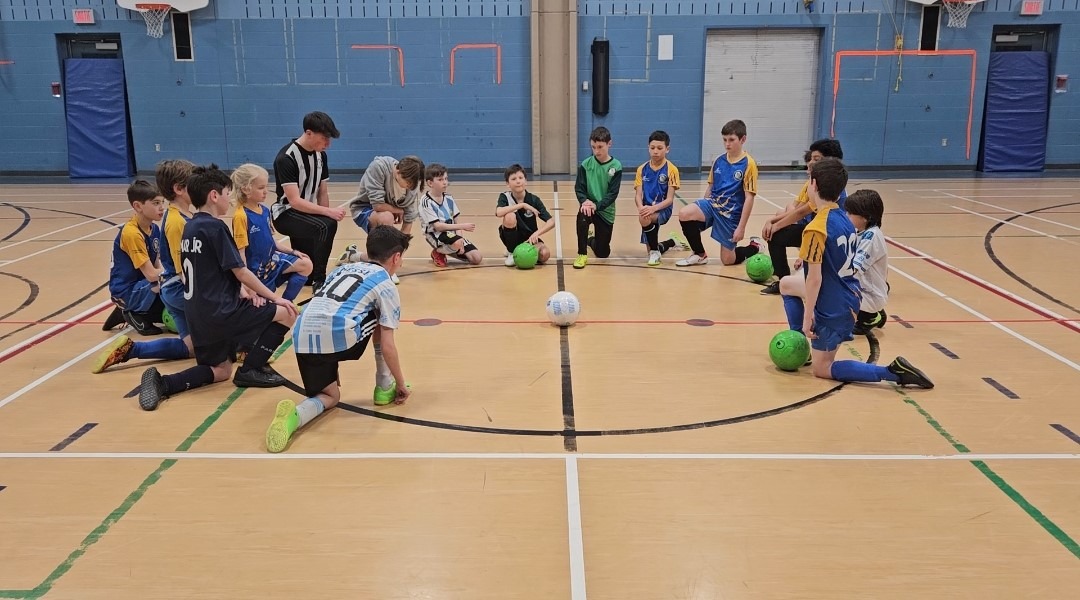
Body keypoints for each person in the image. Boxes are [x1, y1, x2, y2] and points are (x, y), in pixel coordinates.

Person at [137, 165, 299, 411]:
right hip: (221, 312)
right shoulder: (215, 227)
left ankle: (165, 383)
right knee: (286, 313)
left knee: (220, 370)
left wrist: (243, 292)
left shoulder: (190, 226)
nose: (229, 199)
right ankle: (251, 368)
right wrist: (274, 298)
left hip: (198, 314)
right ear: (214, 195)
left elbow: (212, 272)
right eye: (227, 193)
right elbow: (241, 271)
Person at [778, 157, 932, 389]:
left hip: (832, 306)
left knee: (823, 369)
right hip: (849, 294)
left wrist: (808, 317)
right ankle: (802, 343)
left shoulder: (815, 229)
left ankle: (893, 372)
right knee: (786, 284)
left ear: (814, 185)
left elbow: (815, 279)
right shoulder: (843, 217)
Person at [265, 226, 412, 453]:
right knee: (381, 316)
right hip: (337, 337)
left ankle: (294, 417)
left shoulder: (342, 270)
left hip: (302, 336)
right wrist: (402, 384)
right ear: (396, 257)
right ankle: (385, 385)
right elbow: (388, 344)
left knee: (329, 396)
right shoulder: (385, 282)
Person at [93, 180, 190, 373]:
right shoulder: (131, 232)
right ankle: (128, 310)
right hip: (127, 290)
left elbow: (157, 266)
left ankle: (133, 317)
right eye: (155, 203)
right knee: (166, 286)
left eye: (162, 202)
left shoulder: (153, 229)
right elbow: (152, 275)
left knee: (169, 290)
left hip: (142, 284)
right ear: (138, 206)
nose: (161, 207)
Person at [760, 138, 845, 295]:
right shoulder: (813, 181)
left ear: (829, 161)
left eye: (816, 159)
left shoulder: (829, 185)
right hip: (816, 231)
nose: (811, 163)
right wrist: (772, 221)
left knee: (776, 232)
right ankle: (783, 281)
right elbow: (797, 209)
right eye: (811, 159)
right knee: (776, 234)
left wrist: (776, 225)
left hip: (827, 236)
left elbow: (802, 211)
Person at [674, 119, 764, 267]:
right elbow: (710, 187)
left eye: (731, 140)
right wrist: (702, 210)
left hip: (731, 214)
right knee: (685, 213)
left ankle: (755, 246)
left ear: (743, 139)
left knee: (728, 260)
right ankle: (699, 254)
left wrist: (741, 228)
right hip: (713, 204)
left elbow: (749, 198)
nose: (727, 144)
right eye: (724, 140)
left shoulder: (749, 164)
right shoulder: (718, 160)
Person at [271, 111, 343, 290]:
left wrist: (325, 215)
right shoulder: (286, 158)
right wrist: (327, 216)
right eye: (324, 138)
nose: (328, 144)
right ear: (309, 133)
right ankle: (321, 280)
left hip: (307, 215)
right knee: (327, 225)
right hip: (286, 214)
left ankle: (279, 270)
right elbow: (294, 201)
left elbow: (322, 192)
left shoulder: (321, 155)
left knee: (305, 274)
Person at [231, 163, 312, 301]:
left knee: (306, 264)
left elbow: (272, 240)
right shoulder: (241, 216)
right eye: (261, 188)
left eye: (266, 187)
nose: (266, 191)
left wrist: (292, 252)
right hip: (256, 272)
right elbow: (241, 253)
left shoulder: (265, 210)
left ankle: (287, 302)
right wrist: (247, 284)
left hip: (272, 262)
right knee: (260, 305)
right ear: (246, 189)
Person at [341, 155, 426, 284]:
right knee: (387, 217)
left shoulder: (412, 185)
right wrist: (399, 210)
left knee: (385, 243)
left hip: (386, 212)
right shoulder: (379, 167)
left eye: (414, 184)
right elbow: (378, 205)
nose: (410, 187)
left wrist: (398, 255)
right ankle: (382, 269)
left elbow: (408, 222)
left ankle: (354, 256)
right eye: (408, 182)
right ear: (397, 171)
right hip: (363, 209)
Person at [633, 130, 688, 266]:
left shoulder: (671, 170)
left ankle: (655, 252)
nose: (655, 151)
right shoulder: (641, 169)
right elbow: (638, 195)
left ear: (667, 149)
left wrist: (652, 209)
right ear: (648, 148)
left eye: (659, 148)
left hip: (663, 210)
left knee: (644, 220)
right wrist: (641, 208)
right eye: (652, 148)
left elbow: (669, 199)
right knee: (650, 246)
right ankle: (671, 242)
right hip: (647, 209)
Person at [573, 126, 622, 269]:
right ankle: (582, 254)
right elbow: (579, 188)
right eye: (593, 147)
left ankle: (590, 240)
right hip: (589, 207)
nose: (596, 151)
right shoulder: (586, 164)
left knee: (603, 253)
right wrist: (585, 201)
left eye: (600, 147)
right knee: (582, 214)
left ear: (609, 144)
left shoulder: (616, 166)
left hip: (605, 211)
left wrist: (597, 205)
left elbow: (612, 194)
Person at [419, 163, 482, 267]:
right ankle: (438, 252)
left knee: (476, 258)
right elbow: (438, 226)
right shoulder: (426, 201)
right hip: (436, 235)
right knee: (456, 243)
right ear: (430, 183)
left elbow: (456, 220)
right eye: (440, 180)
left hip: (452, 235)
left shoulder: (449, 198)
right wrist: (462, 228)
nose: (445, 182)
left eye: (446, 179)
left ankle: (450, 247)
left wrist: (461, 240)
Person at [845, 189, 889, 335]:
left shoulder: (871, 237)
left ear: (865, 217)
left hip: (869, 293)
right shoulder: (860, 231)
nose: (847, 216)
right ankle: (875, 313)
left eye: (851, 214)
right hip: (868, 290)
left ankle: (870, 317)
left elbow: (853, 269)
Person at [496, 163, 555, 267]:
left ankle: (522, 251)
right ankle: (511, 251)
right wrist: (522, 205)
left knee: (544, 254)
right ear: (507, 184)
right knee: (510, 216)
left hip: (529, 238)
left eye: (520, 178)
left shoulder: (534, 200)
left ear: (526, 181)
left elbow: (551, 222)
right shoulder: (505, 197)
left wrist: (537, 233)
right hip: (510, 235)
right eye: (513, 179)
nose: (518, 181)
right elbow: (499, 212)